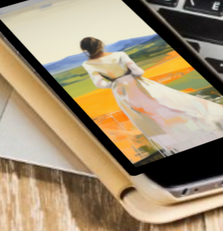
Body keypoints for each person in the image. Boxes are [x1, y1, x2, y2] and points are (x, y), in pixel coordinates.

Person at [80, 36, 223, 155]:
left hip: (121, 92)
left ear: (85, 50)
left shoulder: (88, 64)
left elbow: (98, 83)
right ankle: (204, 128)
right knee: (172, 106)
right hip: (139, 85)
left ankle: (177, 145)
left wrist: (114, 84)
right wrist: (128, 77)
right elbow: (139, 71)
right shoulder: (119, 55)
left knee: (149, 119)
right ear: (100, 44)